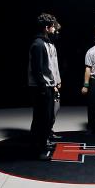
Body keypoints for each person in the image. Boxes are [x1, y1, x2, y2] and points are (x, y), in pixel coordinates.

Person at [28, 13, 60, 160]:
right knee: (40, 118)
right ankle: (36, 150)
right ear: (47, 28)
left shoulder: (46, 43)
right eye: (53, 26)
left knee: (46, 118)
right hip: (41, 87)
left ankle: (42, 144)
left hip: (47, 86)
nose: (55, 28)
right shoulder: (38, 44)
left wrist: (52, 84)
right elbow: (37, 70)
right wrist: (43, 88)